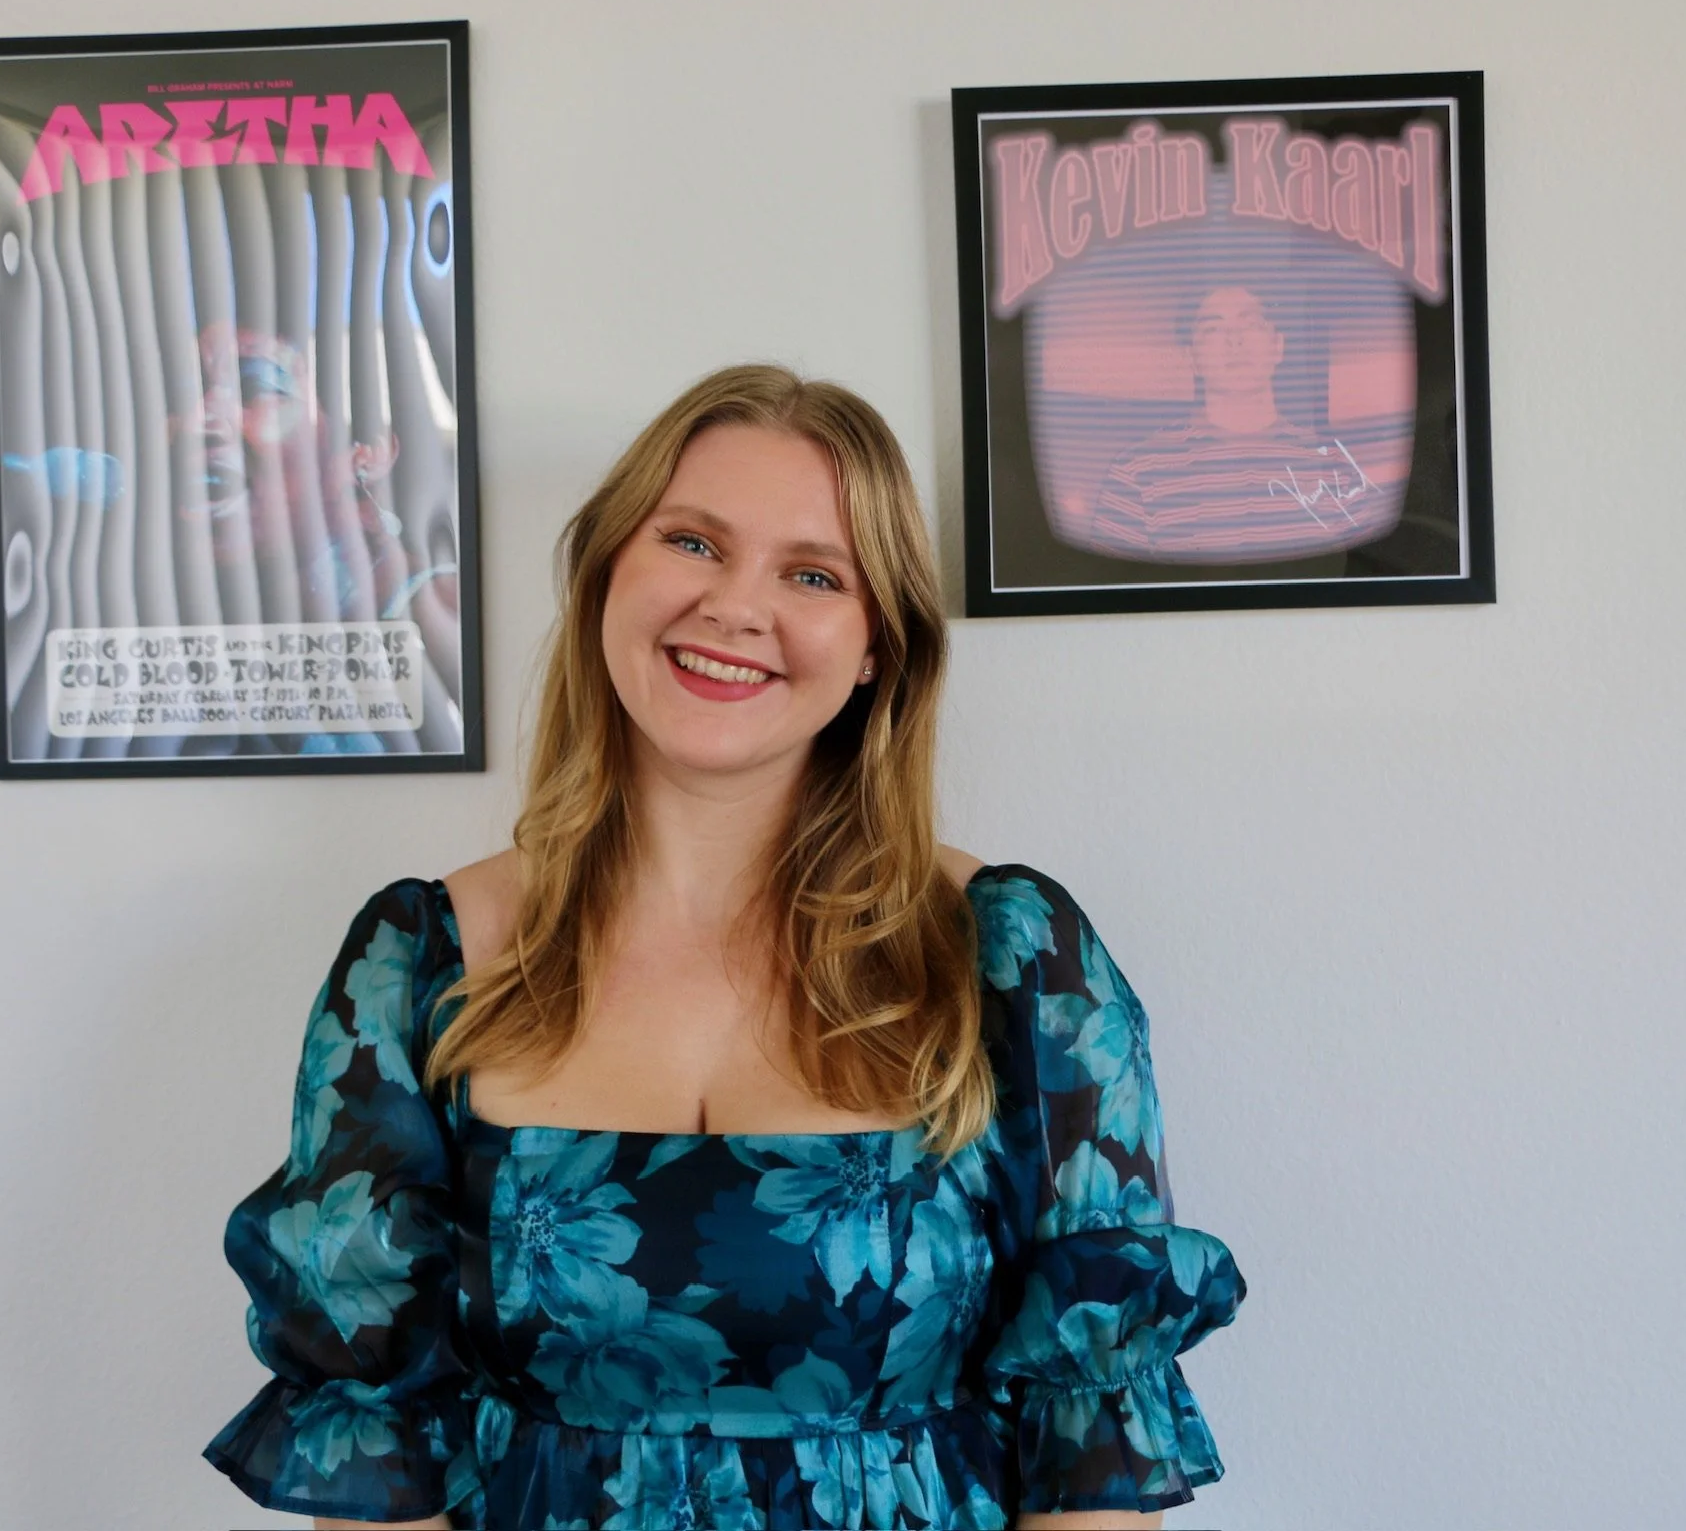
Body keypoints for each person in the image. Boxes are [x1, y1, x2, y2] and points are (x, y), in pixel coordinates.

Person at [203, 365, 1245, 1529]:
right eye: (692, 543)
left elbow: (1090, 1455)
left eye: (811, 574)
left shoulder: (1013, 956)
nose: (734, 607)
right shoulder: (421, 960)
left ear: (872, 651)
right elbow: (372, 1456)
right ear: (608, 572)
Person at [1065, 284, 1388, 564]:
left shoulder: (1333, 466)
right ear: (1192, 357)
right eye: (1213, 329)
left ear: (1278, 346)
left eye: (1251, 324)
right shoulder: (1137, 471)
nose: (1235, 341)